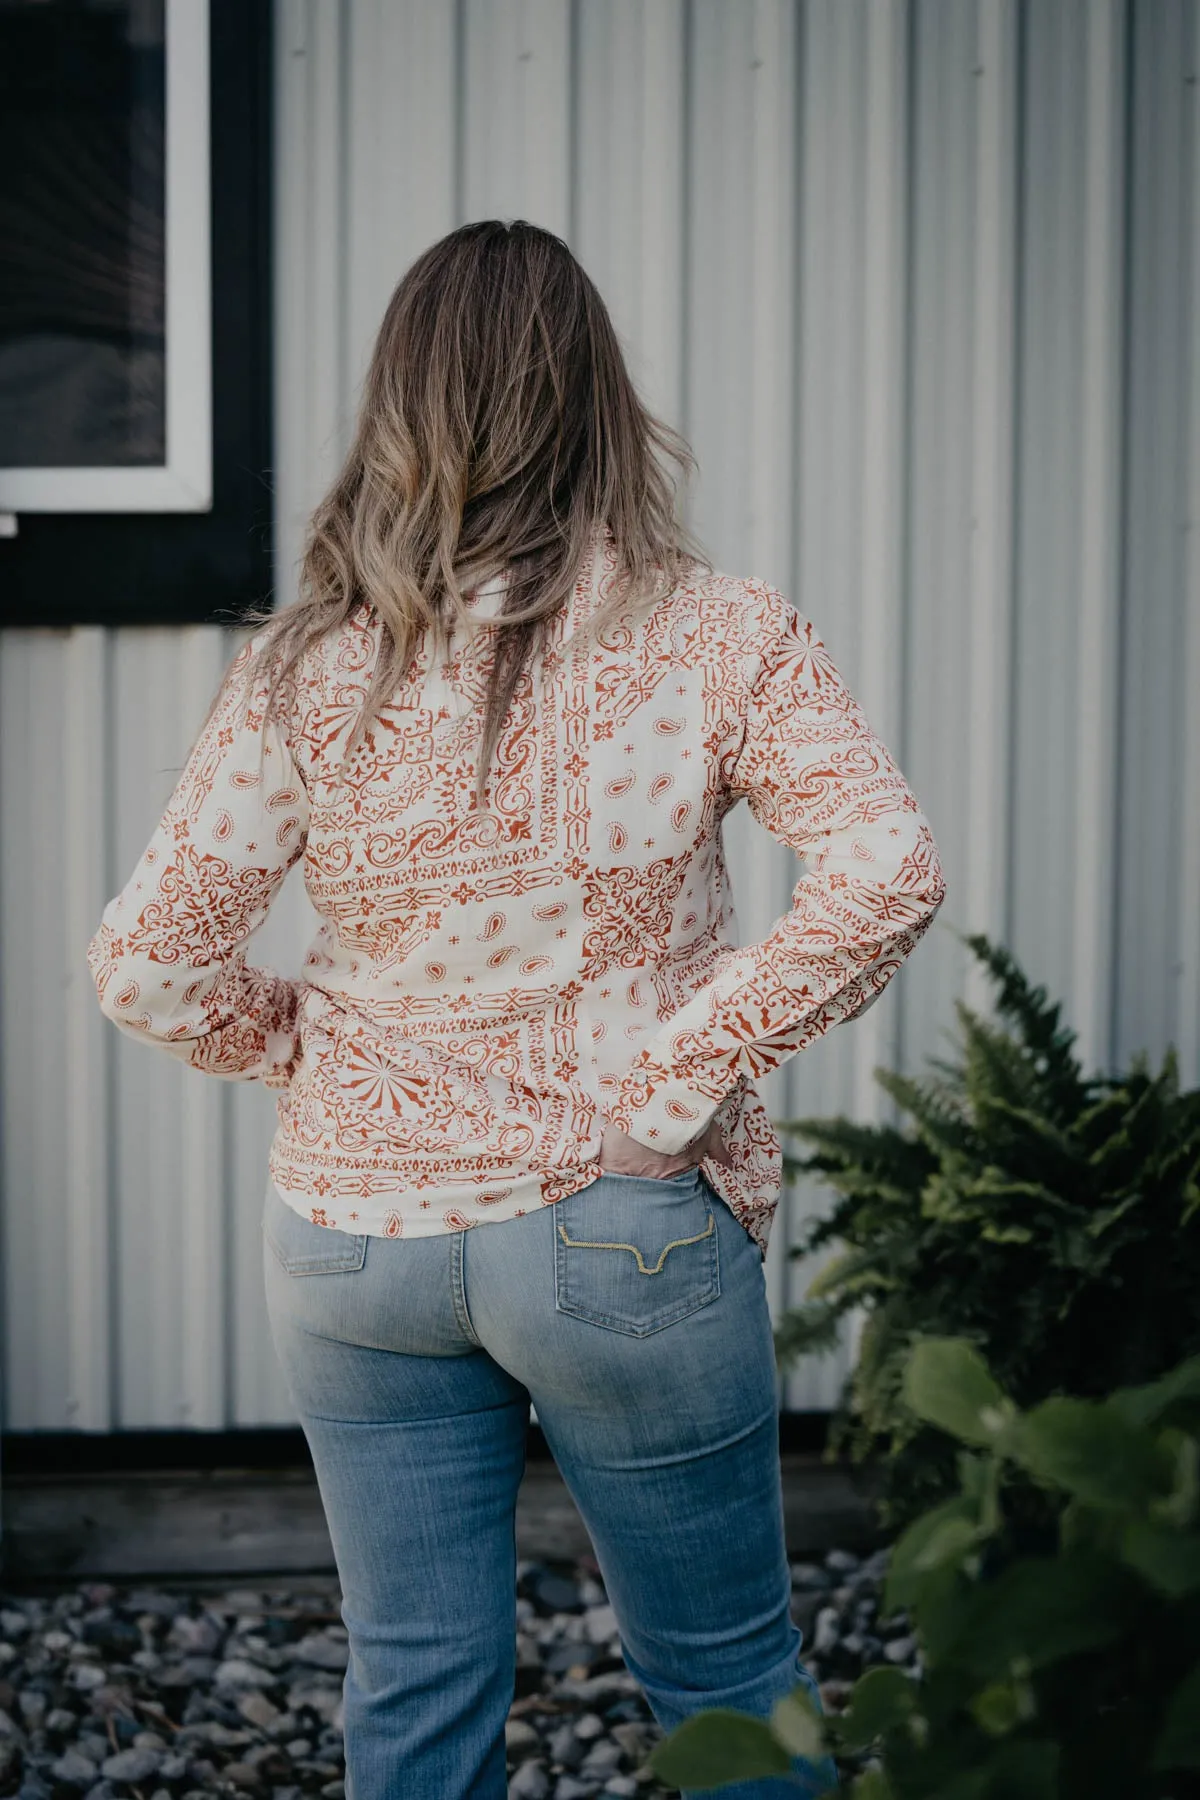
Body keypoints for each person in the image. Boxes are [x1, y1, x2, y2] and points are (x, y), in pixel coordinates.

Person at [87, 219, 946, 1800]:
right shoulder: (721, 633)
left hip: (353, 1238)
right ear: (601, 403)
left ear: (399, 409)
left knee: (411, 1681)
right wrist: (680, 1075)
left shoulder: (306, 665)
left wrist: (321, 1051)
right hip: (623, 1220)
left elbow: (148, 961)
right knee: (730, 1678)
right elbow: (887, 869)